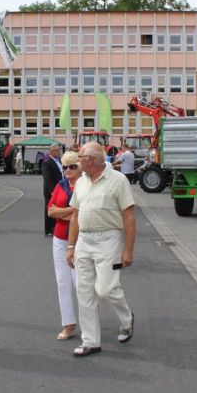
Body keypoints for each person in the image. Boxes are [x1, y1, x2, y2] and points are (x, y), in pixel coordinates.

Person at [66, 142, 135, 357]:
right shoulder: (81, 182)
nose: (77, 162)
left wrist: (128, 250)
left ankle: (127, 320)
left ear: (92, 160)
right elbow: (75, 215)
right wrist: (71, 246)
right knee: (84, 291)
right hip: (84, 241)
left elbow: (129, 216)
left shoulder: (118, 180)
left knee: (106, 289)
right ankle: (91, 341)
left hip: (109, 240)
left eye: (80, 157)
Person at [46, 151, 81, 341]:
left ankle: (89, 321)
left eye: (72, 166)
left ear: (80, 167)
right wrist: (72, 212)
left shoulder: (85, 186)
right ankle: (68, 324)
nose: (68, 170)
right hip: (60, 239)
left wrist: (66, 214)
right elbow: (50, 211)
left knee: (80, 283)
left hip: (79, 240)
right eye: (65, 166)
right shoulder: (60, 185)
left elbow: (84, 214)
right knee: (63, 283)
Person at [42, 144, 63, 236]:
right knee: (49, 209)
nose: (59, 152)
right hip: (51, 190)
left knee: (56, 209)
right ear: (52, 151)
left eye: (59, 151)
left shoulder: (57, 161)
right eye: (58, 151)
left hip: (58, 189)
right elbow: (47, 178)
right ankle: (48, 230)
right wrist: (52, 191)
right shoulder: (47, 162)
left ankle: (54, 227)